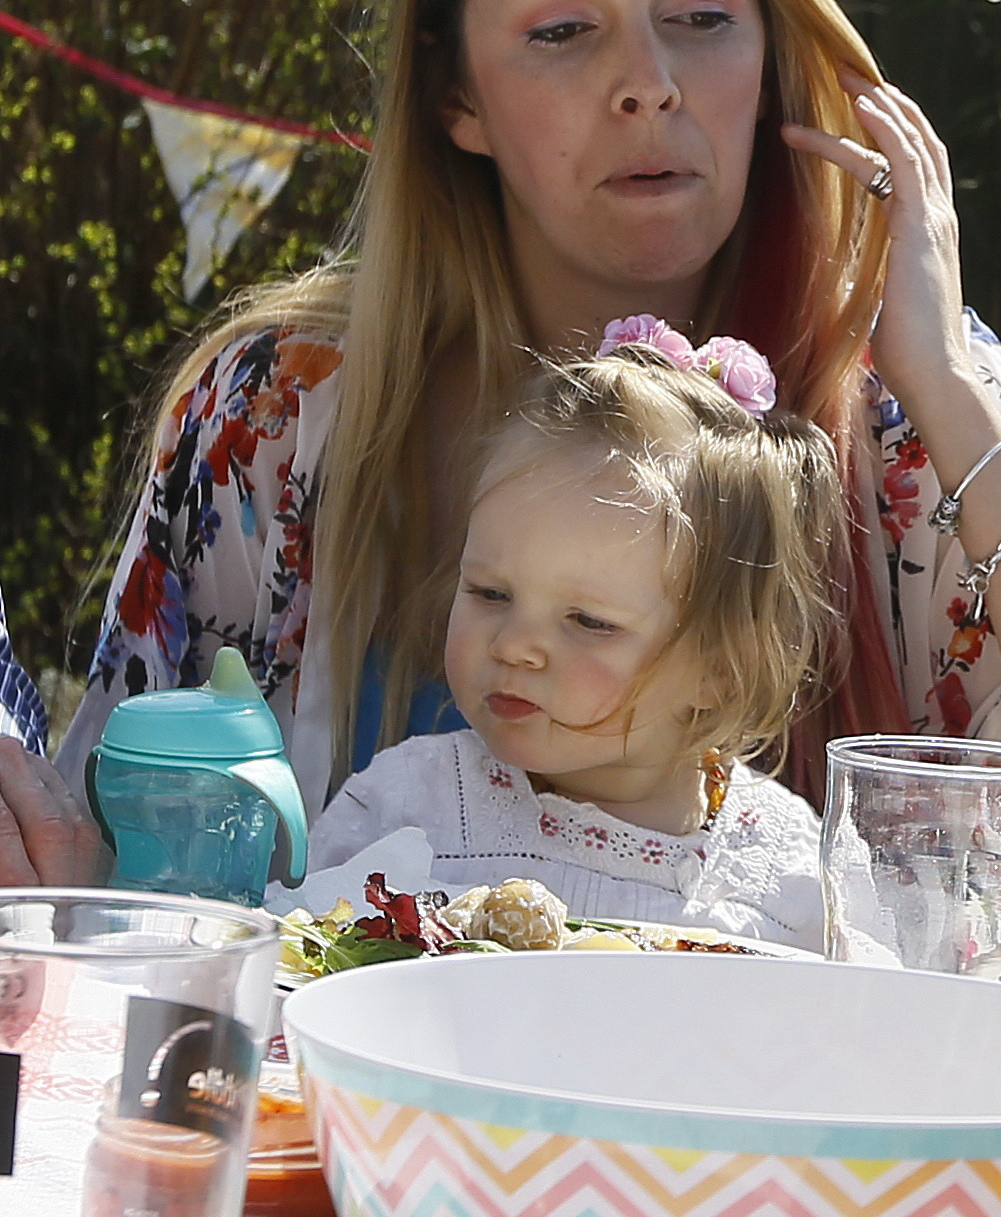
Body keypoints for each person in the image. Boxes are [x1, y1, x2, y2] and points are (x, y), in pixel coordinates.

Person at [25, 0, 1001, 1000]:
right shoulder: (284, 406)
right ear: (458, 97)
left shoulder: (897, 401)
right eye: (561, 30)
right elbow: (130, 860)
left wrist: (943, 372)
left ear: (770, 56)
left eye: (702, 17)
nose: (648, 82)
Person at [305, 343, 838, 947]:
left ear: (722, 667)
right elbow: (306, 978)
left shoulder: (790, 881)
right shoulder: (405, 812)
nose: (515, 647)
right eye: (490, 593)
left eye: (587, 621)